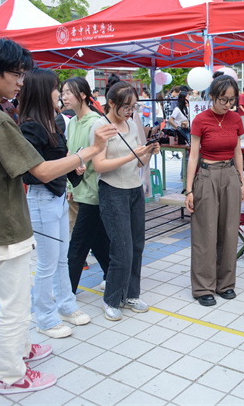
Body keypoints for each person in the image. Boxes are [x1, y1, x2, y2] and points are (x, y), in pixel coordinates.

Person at [0, 37, 116, 394]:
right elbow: (41, 171)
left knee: (20, 292)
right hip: (2, 224)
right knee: (14, 303)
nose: (21, 81)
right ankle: (11, 374)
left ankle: (23, 349)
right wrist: (91, 150)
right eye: (16, 73)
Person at [18, 68, 92, 339]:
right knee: (48, 262)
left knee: (62, 257)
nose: (59, 94)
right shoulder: (29, 126)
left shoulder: (54, 121)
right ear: (41, 92)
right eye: (55, 89)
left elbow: (62, 160)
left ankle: (66, 305)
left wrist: (74, 168)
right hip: (41, 199)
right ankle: (45, 318)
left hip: (58, 196)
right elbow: (33, 171)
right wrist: (75, 161)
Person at [90, 81, 159, 320]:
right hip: (112, 191)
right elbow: (99, 165)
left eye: (133, 106)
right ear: (111, 103)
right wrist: (132, 154)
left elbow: (138, 163)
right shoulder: (100, 126)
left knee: (137, 245)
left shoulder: (130, 124)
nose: (130, 111)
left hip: (134, 189)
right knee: (122, 249)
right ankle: (111, 299)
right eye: (126, 106)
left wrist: (148, 152)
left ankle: (131, 295)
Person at [184, 75, 244, 306]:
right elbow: (193, 156)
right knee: (205, 233)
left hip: (230, 175)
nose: (228, 104)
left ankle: (226, 284)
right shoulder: (201, 120)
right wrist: (189, 190)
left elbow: (238, 151)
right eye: (223, 100)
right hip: (206, 175)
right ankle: (202, 288)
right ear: (211, 97)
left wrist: (241, 182)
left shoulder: (236, 119)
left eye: (232, 100)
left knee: (229, 231)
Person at [63, 77, 111, 294]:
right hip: (79, 188)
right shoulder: (72, 122)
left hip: (94, 191)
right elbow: (72, 155)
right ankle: (113, 276)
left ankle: (67, 291)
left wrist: (82, 163)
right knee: (97, 241)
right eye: (62, 93)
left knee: (77, 245)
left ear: (82, 95)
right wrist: (70, 187)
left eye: (68, 93)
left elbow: (99, 155)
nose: (63, 97)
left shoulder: (95, 121)